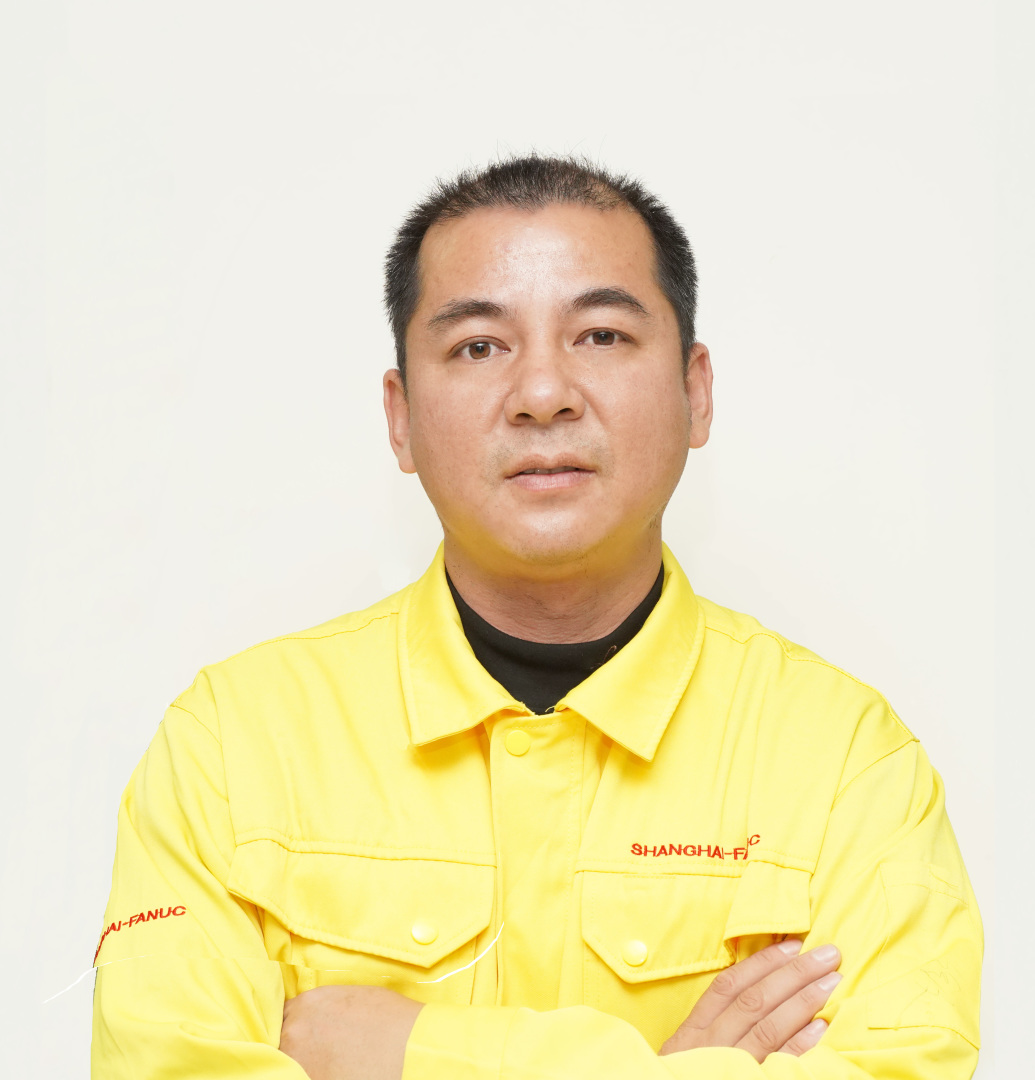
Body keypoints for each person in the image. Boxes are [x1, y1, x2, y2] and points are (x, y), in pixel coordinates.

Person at [91, 155, 982, 1079]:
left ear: (696, 392)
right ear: (400, 416)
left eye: (600, 335)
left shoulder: (845, 764)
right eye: (479, 347)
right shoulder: (233, 747)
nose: (543, 394)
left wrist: (412, 1053)